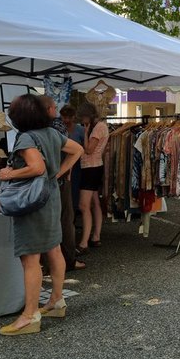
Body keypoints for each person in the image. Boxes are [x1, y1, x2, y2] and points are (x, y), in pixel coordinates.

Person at [0, 94, 84, 336]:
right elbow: (77, 150)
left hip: (33, 202)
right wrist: (60, 174)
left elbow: (36, 167)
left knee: (30, 258)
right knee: (53, 248)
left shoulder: (26, 137)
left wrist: (9, 175)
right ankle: (56, 300)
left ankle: (29, 315)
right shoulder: (52, 133)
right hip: (51, 196)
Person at [39, 97, 86, 272]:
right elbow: (75, 150)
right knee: (65, 221)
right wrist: (63, 172)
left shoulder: (30, 127)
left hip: (40, 180)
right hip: (56, 181)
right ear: (50, 109)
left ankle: (44, 262)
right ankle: (67, 260)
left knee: (46, 222)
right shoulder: (57, 127)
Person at [77, 102, 108, 251]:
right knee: (95, 203)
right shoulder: (101, 126)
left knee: (84, 206)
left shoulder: (98, 127)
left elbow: (89, 150)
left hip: (91, 168)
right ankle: (96, 236)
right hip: (94, 167)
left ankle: (84, 242)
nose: (81, 121)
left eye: (82, 117)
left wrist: (84, 134)